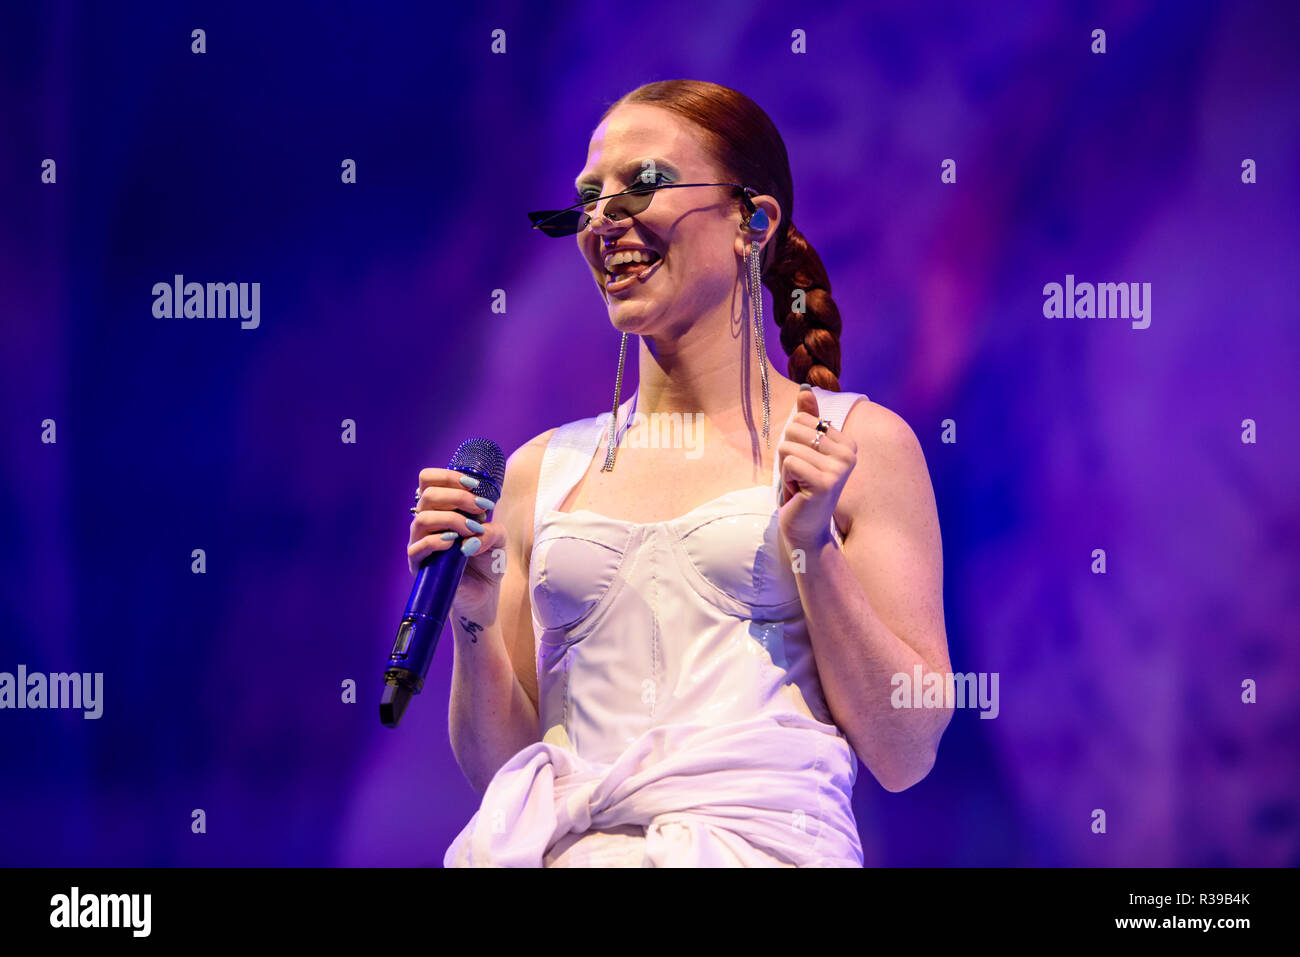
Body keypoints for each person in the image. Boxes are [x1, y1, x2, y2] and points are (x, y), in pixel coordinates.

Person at [408, 79, 952, 866]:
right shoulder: (540, 473)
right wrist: (473, 617)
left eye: (646, 184)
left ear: (752, 221)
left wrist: (814, 547)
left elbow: (907, 751)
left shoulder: (857, 444)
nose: (605, 220)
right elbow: (508, 781)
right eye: (591, 198)